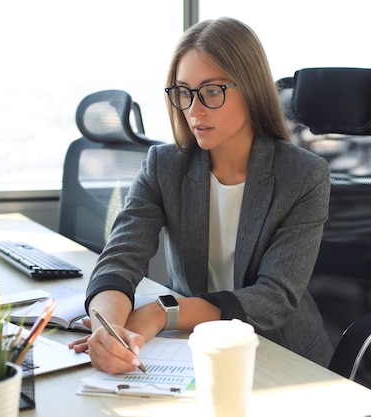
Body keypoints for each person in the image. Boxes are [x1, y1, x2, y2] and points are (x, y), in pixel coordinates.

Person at [68, 16, 333, 374]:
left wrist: (164, 311)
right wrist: (107, 327)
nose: (194, 109)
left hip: (279, 352)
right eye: (183, 92)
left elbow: (274, 298)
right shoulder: (164, 166)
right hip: (189, 350)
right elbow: (120, 258)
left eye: (211, 91)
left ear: (251, 89)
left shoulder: (303, 175)